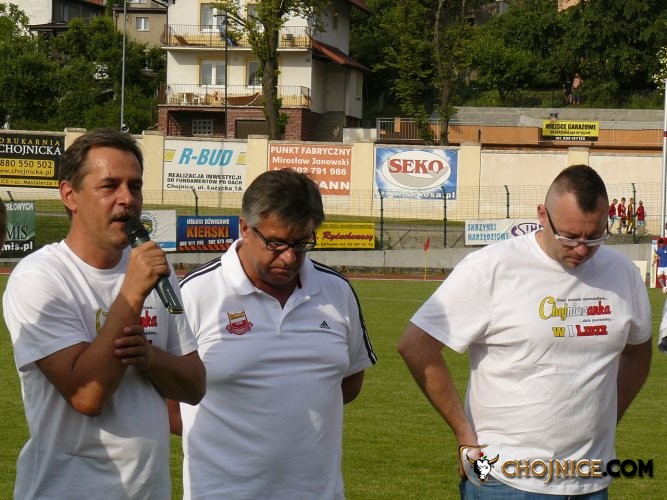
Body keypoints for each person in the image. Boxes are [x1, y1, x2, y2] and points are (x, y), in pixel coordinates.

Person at [398, 164, 651, 498]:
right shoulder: (491, 268)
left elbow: (637, 351)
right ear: (543, 215)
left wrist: (609, 417)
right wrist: (464, 435)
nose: (581, 249)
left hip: (589, 479)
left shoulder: (622, 273)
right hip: (504, 480)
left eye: (594, 237)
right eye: (569, 237)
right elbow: (416, 346)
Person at [3, 129, 206, 499]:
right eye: (110, 186)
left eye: (135, 186)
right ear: (70, 195)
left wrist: (150, 358)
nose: (127, 199)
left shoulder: (154, 268)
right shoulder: (40, 276)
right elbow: (87, 397)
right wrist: (132, 292)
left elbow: (194, 387)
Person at [173, 168, 377, 499]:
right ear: (244, 228)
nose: (289, 257)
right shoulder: (195, 293)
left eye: (302, 243)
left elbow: (349, 381)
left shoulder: (337, 291)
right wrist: (234, 443)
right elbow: (166, 399)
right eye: (276, 243)